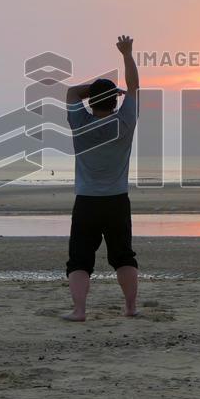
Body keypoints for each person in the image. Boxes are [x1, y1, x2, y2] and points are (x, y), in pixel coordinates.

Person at [62, 35, 140, 321]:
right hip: (117, 200)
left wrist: (98, 89)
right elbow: (134, 86)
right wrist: (127, 55)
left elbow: (72, 92)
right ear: (114, 102)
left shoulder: (80, 123)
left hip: (87, 201)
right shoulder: (125, 122)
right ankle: (130, 307)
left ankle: (79, 310)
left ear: (92, 102)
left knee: (79, 260)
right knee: (123, 256)